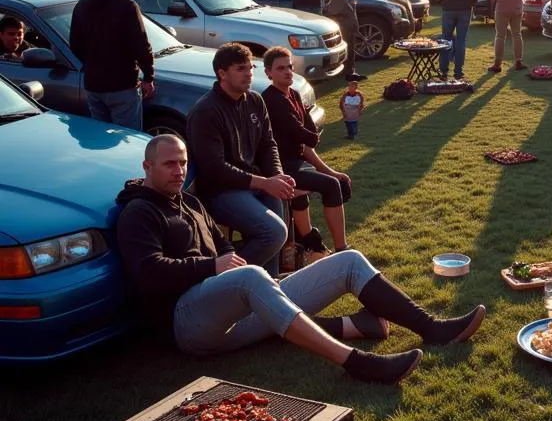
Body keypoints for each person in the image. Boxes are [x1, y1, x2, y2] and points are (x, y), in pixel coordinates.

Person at [116, 134, 486, 384]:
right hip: (188, 324)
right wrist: (213, 268)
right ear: (147, 168)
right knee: (253, 279)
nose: (178, 171)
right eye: (168, 165)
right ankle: (357, 363)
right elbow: (148, 272)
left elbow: (222, 245)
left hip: (228, 308)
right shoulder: (139, 213)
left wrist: (228, 260)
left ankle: (433, 328)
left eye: (182, 163)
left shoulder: (191, 202)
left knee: (349, 260)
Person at [186, 42, 295, 275]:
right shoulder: (206, 111)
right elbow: (213, 169)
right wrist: (265, 182)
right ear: (221, 74)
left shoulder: (255, 100)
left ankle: (270, 285)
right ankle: (223, 280)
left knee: (278, 224)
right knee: (273, 232)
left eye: (250, 68)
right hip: (220, 191)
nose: (248, 74)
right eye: (240, 69)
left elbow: (268, 144)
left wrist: (277, 175)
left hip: (256, 183)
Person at [261, 46, 350, 256]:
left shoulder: (293, 94)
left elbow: (308, 139)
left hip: (295, 162)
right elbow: (306, 135)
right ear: (268, 72)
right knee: (331, 186)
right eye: (280, 68)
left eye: (290, 67)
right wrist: (307, 137)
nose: (287, 72)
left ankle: (311, 243)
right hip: (279, 168)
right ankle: (340, 248)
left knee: (336, 181)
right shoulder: (271, 100)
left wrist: (330, 171)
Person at [68, 0, 155, 129]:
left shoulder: (82, 6)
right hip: (122, 84)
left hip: (93, 83)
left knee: (100, 135)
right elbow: (141, 44)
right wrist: (148, 75)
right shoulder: (127, 6)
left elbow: (75, 45)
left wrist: (91, 63)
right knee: (127, 137)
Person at [323, 0, 364, 81]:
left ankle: (341, 70)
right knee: (349, 51)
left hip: (334, 31)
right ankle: (349, 71)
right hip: (347, 29)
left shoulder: (327, 4)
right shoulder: (342, 2)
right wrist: (353, 7)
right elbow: (352, 19)